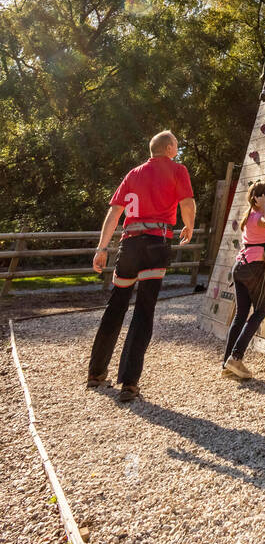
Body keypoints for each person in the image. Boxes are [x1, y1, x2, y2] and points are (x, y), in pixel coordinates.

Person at [87, 130, 195, 402]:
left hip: (129, 244)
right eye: (176, 146)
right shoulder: (177, 170)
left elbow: (114, 212)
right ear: (169, 148)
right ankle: (129, 383)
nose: (178, 150)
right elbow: (187, 202)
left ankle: (96, 373)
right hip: (157, 242)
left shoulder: (133, 174)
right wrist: (189, 225)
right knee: (144, 311)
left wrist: (101, 249)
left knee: (116, 306)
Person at [221, 181, 265, 381]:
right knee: (261, 310)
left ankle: (227, 364)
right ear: (260, 197)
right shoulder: (259, 215)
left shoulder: (250, 216)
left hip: (240, 267)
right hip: (254, 267)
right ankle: (236, 357)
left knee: (240, 316)